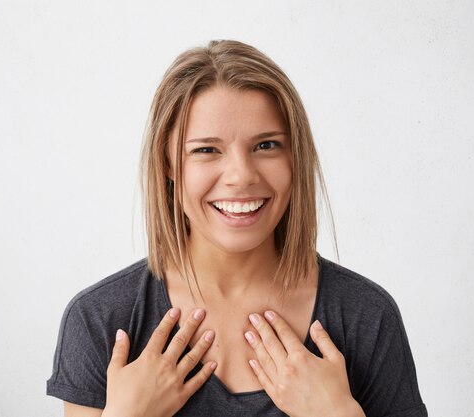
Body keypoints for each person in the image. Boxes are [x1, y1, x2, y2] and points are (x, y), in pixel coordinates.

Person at [46, 40, 428, 417]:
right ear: (166, 163)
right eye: (206, 150)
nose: (241, 176)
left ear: (296, 157)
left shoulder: (367, 315)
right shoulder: (100, 320)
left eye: (266, 145)